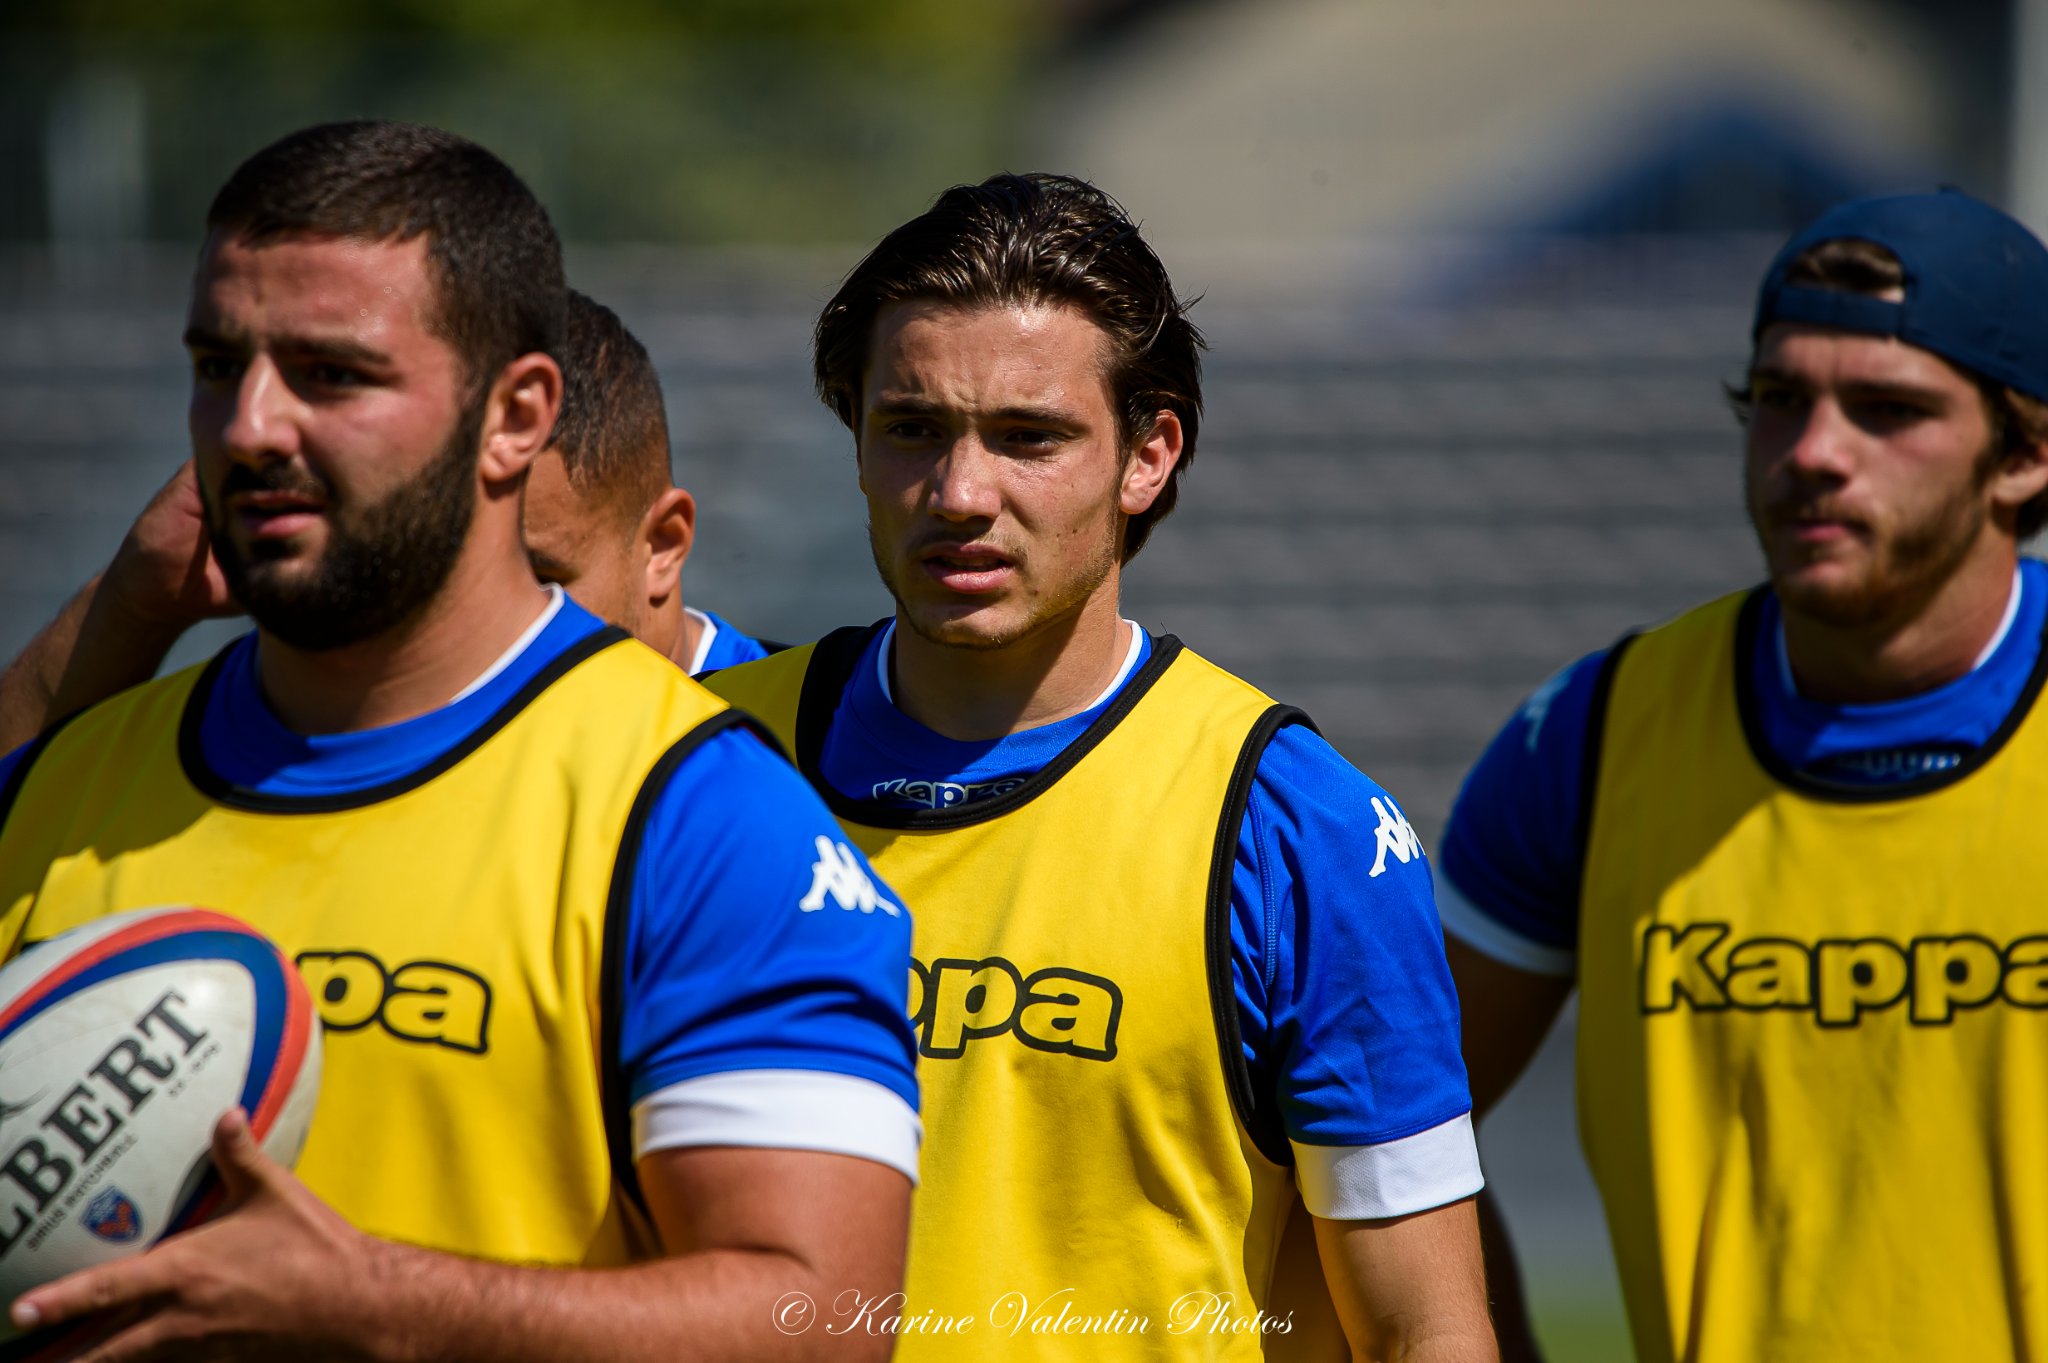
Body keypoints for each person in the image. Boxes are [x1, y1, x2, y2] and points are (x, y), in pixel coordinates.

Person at [0, 120, 917, 1362]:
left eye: (331, 373)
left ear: (514, 415)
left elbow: (827, 1323)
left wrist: (378, 1301)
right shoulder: (73, 776)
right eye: (220, 365)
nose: (251, 425)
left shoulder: (702, 815)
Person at [703, 173, 1496, 1362]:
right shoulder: (699, 763)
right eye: (912, 427)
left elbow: (1421, 1329)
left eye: (1029, 437)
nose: (960, 494)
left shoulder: (1293, 825)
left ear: (1146, 456)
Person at [1437, 189, 2048, 1363]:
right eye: (1778, 401)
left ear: (2022, 456)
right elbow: (1380, 1135)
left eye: (1885, 409)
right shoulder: (1592, 734)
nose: (1813, 451)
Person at [0, 289, 766, 753]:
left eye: (534, 578)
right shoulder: (336, 734)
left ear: (661, 545)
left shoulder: (799, 747)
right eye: (427, 576)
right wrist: (138, 600)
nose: (471, 629)